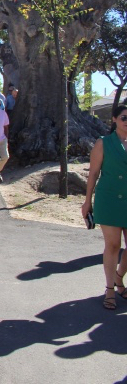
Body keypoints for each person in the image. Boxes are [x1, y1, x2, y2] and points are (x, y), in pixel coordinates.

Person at [81, 104, 127, 310]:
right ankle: (110, 289)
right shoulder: (103, 143)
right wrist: (87, 201)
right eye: (124, 118)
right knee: (113, 245)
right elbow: (93, 174)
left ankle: (119, 278)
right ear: (115, 120)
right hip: (109, 199)